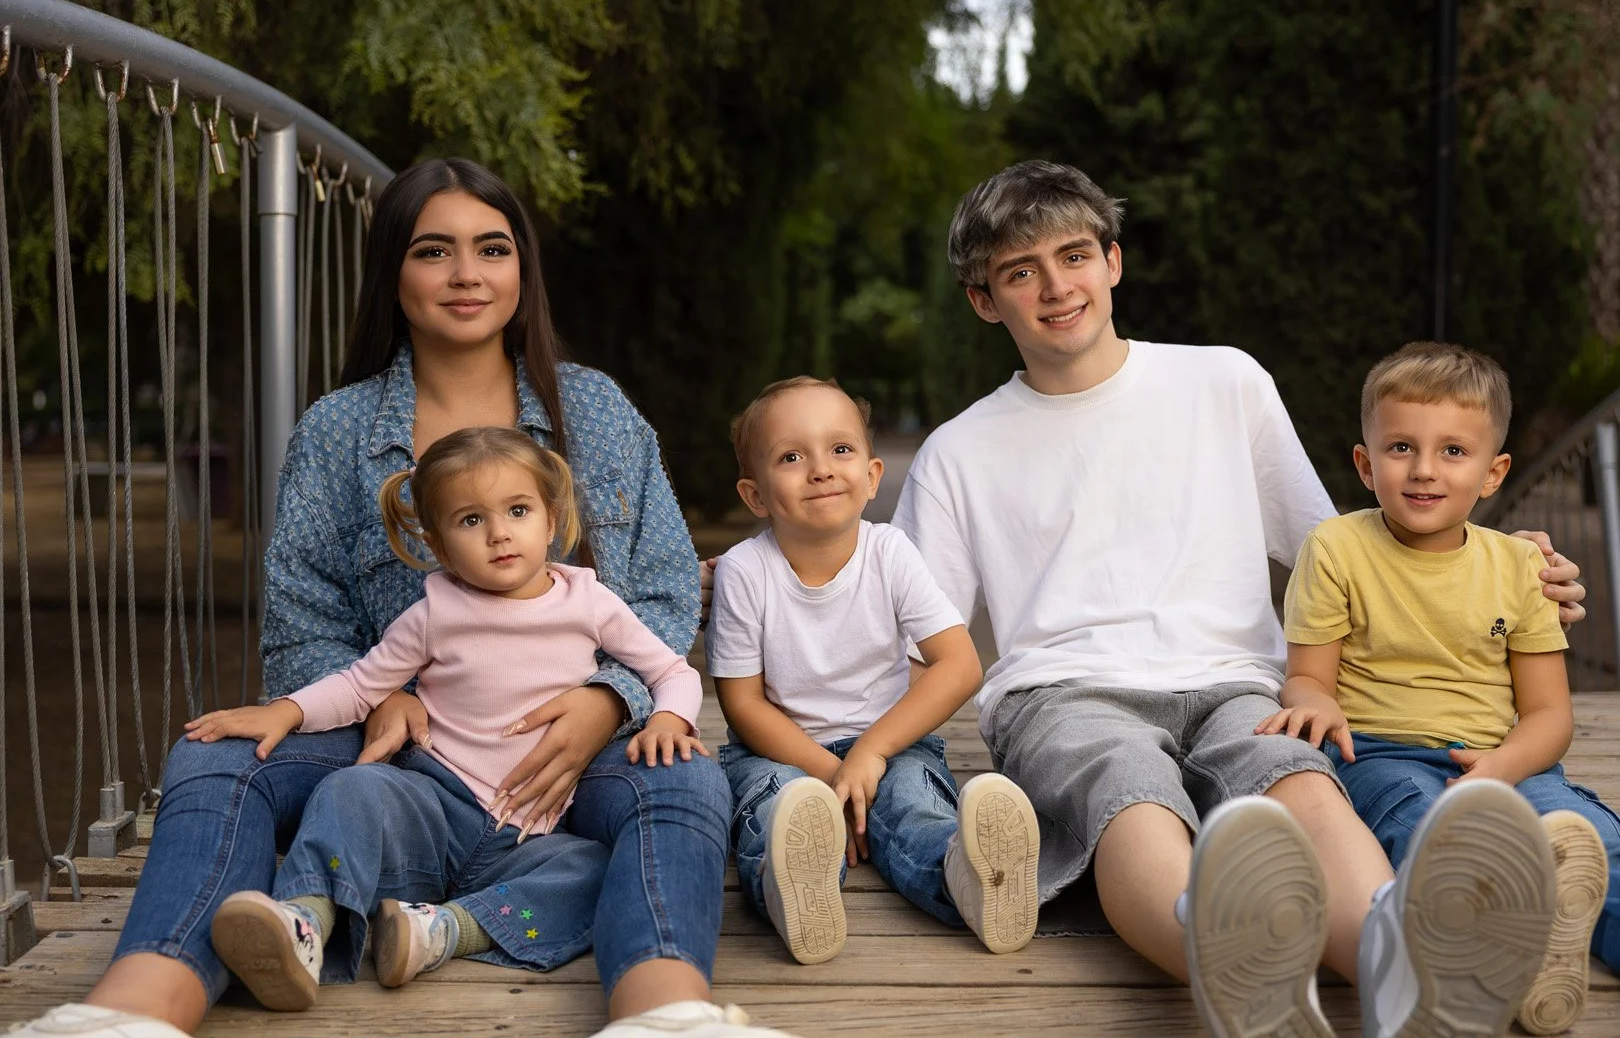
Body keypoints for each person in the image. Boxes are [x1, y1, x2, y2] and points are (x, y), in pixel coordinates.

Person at [16, 158, 792, 1038]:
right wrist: (383, 691)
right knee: (215, 755)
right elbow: (303, 618)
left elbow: (657, 590)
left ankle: (664, 1014)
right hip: (393, 746)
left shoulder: (597, 410)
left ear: (522, 271)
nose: (467, 274)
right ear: (393, 272)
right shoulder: (338, 430)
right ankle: (134, 1013)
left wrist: (606, 699)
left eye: (492, 249)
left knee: (684, 777)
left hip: (577, 751)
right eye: (434, 251)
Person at [868, 160, 1589, 1038]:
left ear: (1114, 262)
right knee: (1130, 792)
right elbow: (902, 629)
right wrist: (772, 588)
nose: (1058, 286)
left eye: (1075, 255)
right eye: (1022, 272)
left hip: (1239, 680)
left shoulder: (1224, 383)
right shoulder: (958, 451)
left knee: (1297, 778)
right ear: (986, 300)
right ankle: (1230, 965)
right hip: (1064, 692)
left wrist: (1502, 563)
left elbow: (1353, 551)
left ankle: (1402, 970)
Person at [181, 425, 708, 1011]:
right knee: (352, 788)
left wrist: (670, 720)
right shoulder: (433, 612)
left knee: (596, 868)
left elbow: (676, 673)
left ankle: (444, 930)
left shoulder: (589, 602)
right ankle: (304, 923)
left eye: (517, 510)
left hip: (534, 831)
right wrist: (286, 710)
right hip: (433, 807)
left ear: (551, 521)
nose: (500, 533)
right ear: (436, 543)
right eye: (471, 521)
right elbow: (360, 686)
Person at [1257, 341, 1618, 1036]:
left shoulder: (1522, 566)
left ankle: (1550, 938)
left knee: (1592, 842)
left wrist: (1498, 771)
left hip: (1505, 756)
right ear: (1365, 463)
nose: (1424, 470)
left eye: (1454, 451)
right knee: (1424, 835)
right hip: (1382, 755)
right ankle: (1510, 947)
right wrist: (1317, 702)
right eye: (1400, 448)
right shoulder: (1336, 550)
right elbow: (1307, 674)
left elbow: (1549, 715)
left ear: (1493, 472)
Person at [706, 377, 1040, 966]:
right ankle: (793, 891)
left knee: (912, 802)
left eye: (840, 449)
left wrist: (871, 754)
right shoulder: (743, 571)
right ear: (755, 496)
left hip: (889, 742)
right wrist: (834, 773)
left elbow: (959, 665)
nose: (820, 469)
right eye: (791, 456)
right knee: (777, 807)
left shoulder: (890, 552)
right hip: (779, 752)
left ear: (872, 476)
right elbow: (744, 705)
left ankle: (969, 878)